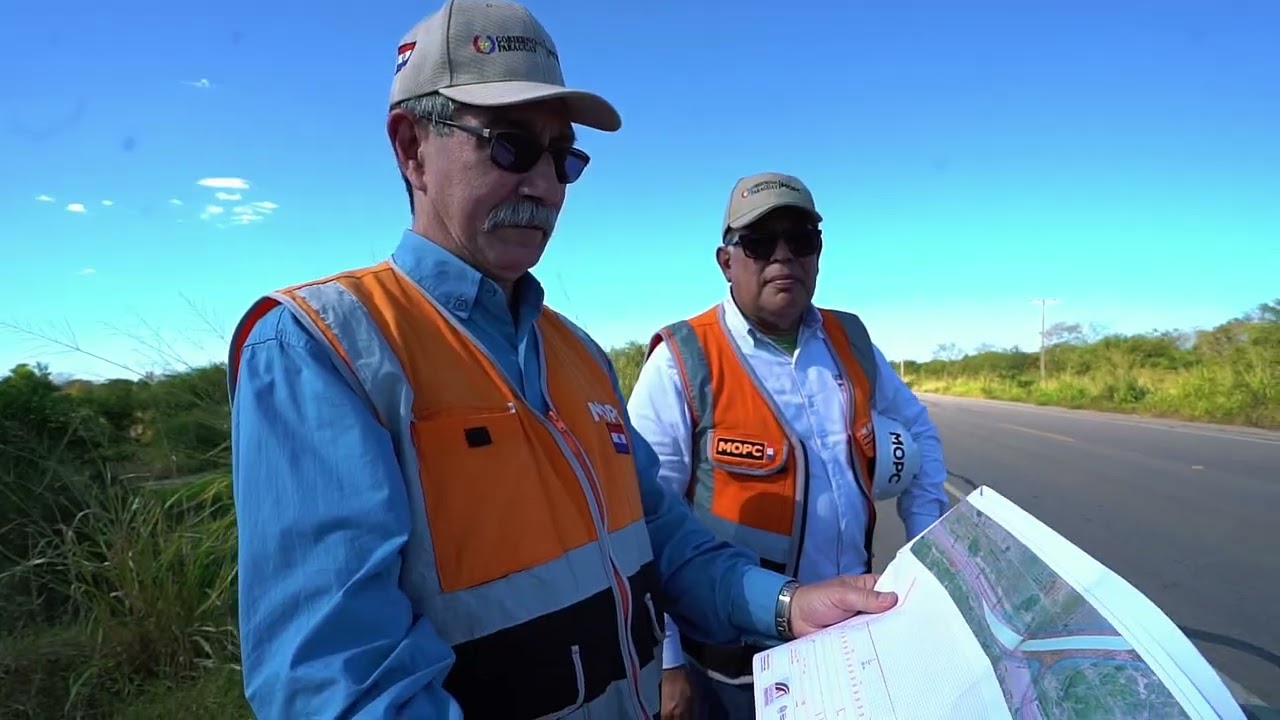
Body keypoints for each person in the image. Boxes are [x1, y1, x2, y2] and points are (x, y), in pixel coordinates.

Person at [226, 5, 901, 718]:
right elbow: (337, 684)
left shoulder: (577, 355)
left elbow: (664, 540)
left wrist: (790, 605)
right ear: (411, 149)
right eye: (511, 145)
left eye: (563, 157)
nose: (545, 184)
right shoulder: (321, 348)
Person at [627, 172, 950, 719]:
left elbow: (919, 434)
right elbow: (642, 520)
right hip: (735, 665)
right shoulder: (684, 359)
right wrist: (668, 662)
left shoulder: (850, 341)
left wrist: (926, 559)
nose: (783, 257)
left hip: (850, 644)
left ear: (818, 255)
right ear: (726, 261)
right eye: (759, 243)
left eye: (801, 240)